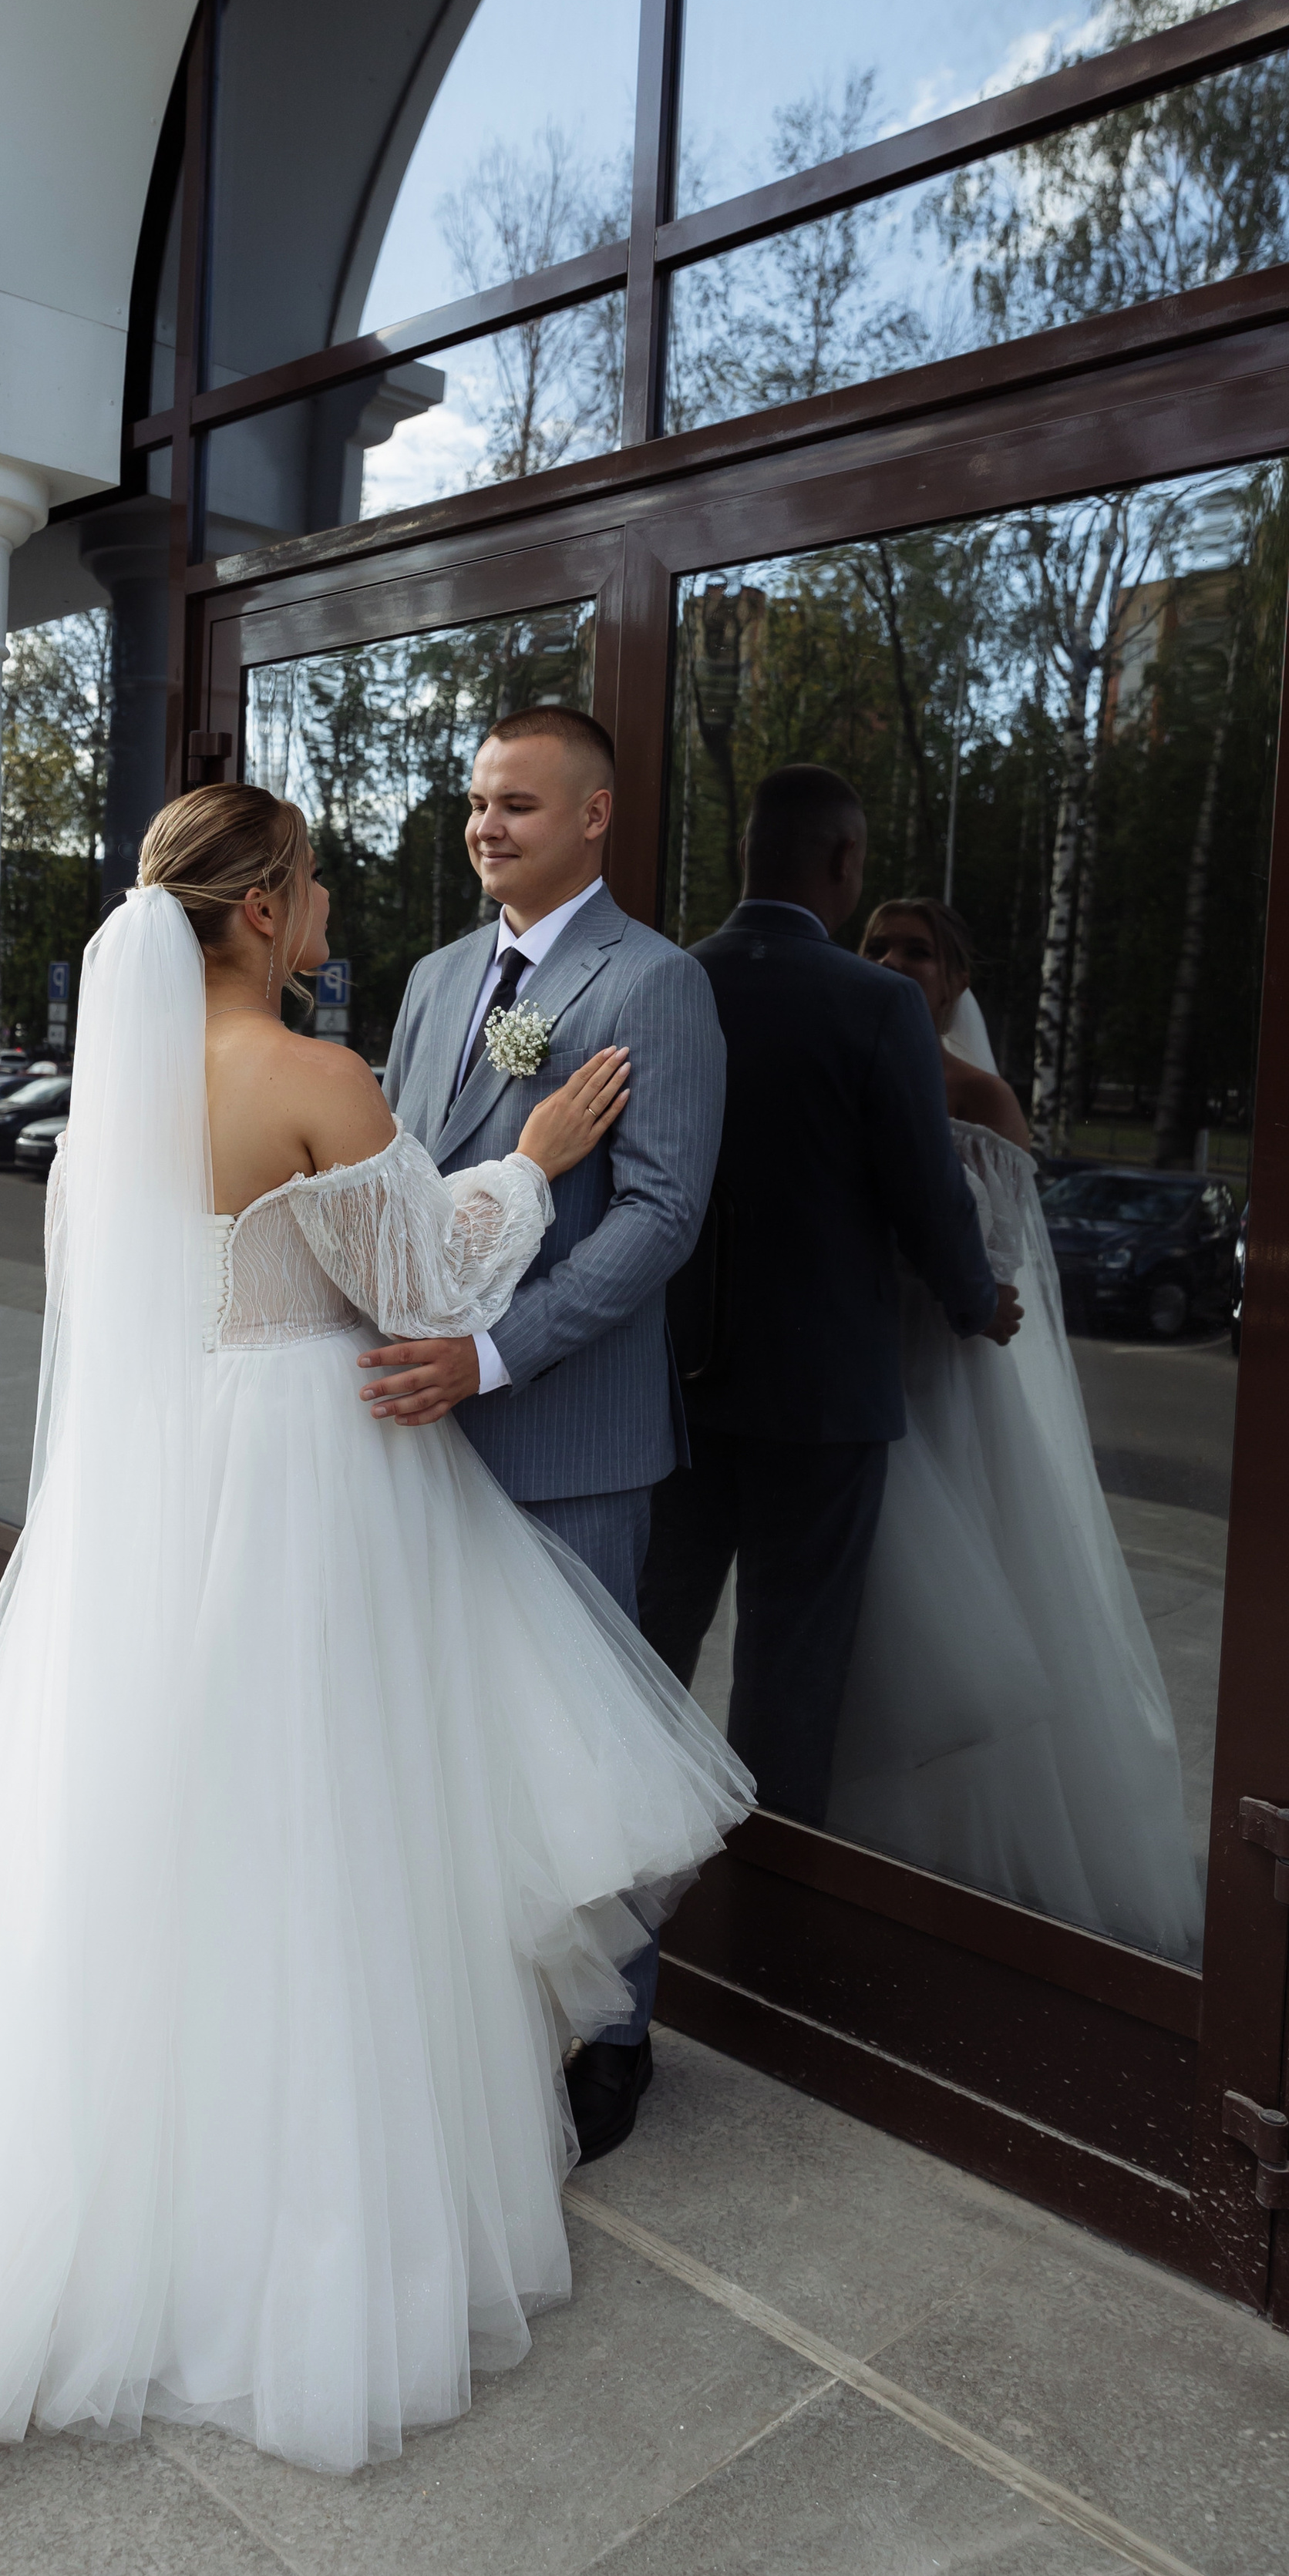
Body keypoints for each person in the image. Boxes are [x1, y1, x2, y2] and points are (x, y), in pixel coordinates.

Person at [0, 785, 752, 2507]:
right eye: (313, 877)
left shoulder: (120, 1107)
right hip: (309, 1489)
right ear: (262, 911)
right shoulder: (316, 1078)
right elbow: (427, 1286)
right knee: (318, 1840)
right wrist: (535, 1161)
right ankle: (298, 2232)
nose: (336, 896)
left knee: (153, 1832)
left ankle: (84, 2207)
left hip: (169, 1480)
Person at [378, 705, 725, 2161]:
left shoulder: (654, 985)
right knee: (443, 1744)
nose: (485, 826)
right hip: (413, 1439)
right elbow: (394, 1173)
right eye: (475, 803)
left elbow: (659, 1217)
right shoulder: (440, 975)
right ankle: (470, 2010)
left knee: (583, 1761)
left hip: (566, 1437)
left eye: (518, 805)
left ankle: (611, 2034)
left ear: (594, 815)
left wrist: (494, 1353)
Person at [829, 899, 1203, 1962]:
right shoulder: (849, 1061)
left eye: (920, 951)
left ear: (955, 980)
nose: (896, 964)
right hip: (858, 1368)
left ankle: (974, 1859)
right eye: (878, 947)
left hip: (941, 1378)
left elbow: (999, 1269)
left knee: (961, 1609)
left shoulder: (981, 1098)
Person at [638, 765, 1015, 1820]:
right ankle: (768, 1890)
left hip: (679, 1376)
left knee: (652, 1632)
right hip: (823, 1394)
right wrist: (975, 1300)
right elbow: (926, 1191)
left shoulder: (666, 978)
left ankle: (622, 1849)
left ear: (746, 854)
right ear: (844, 861)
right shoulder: (878, 1004)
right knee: (792, 1658)